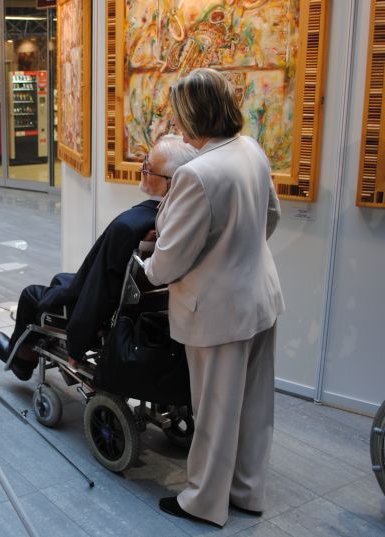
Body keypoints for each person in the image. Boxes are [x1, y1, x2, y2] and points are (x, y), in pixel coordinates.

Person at [145, 69, 284, 527]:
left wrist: (148, 268)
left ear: (194, 113)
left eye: (179, 113)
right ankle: (247, 490)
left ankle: (203, 502)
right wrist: (237, 254)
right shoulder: (251, 150)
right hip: (260, 296)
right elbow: (271, 216)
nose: (176, 122)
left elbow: (170, 258)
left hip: (218, 310)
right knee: (254, 406)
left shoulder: (197, 172)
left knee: (215, 413)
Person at [0, 135, 197, 378]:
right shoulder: (181, 219)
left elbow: (100, 289)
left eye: (148, 168)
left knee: (30, 295)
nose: (142, 170)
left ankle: (21, 360)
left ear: (171, 182)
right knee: (60, 279)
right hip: (146, 308)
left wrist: (78, 343)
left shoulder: (129, 225)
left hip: (100, 312)